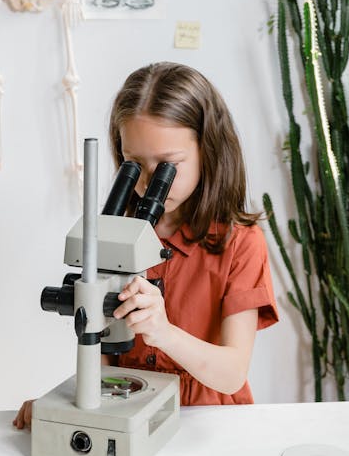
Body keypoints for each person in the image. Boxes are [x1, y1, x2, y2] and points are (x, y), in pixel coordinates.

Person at [14, 61, 278, 427]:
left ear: (208, 150)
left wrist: (164, 332)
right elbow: (103, 356)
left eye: (168, 165)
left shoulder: (240, 244)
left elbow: (232, 374)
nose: (149, 183)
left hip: (211, 424)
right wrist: (62, 407)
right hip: (132, 414)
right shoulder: (112, 235)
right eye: (134, 164)